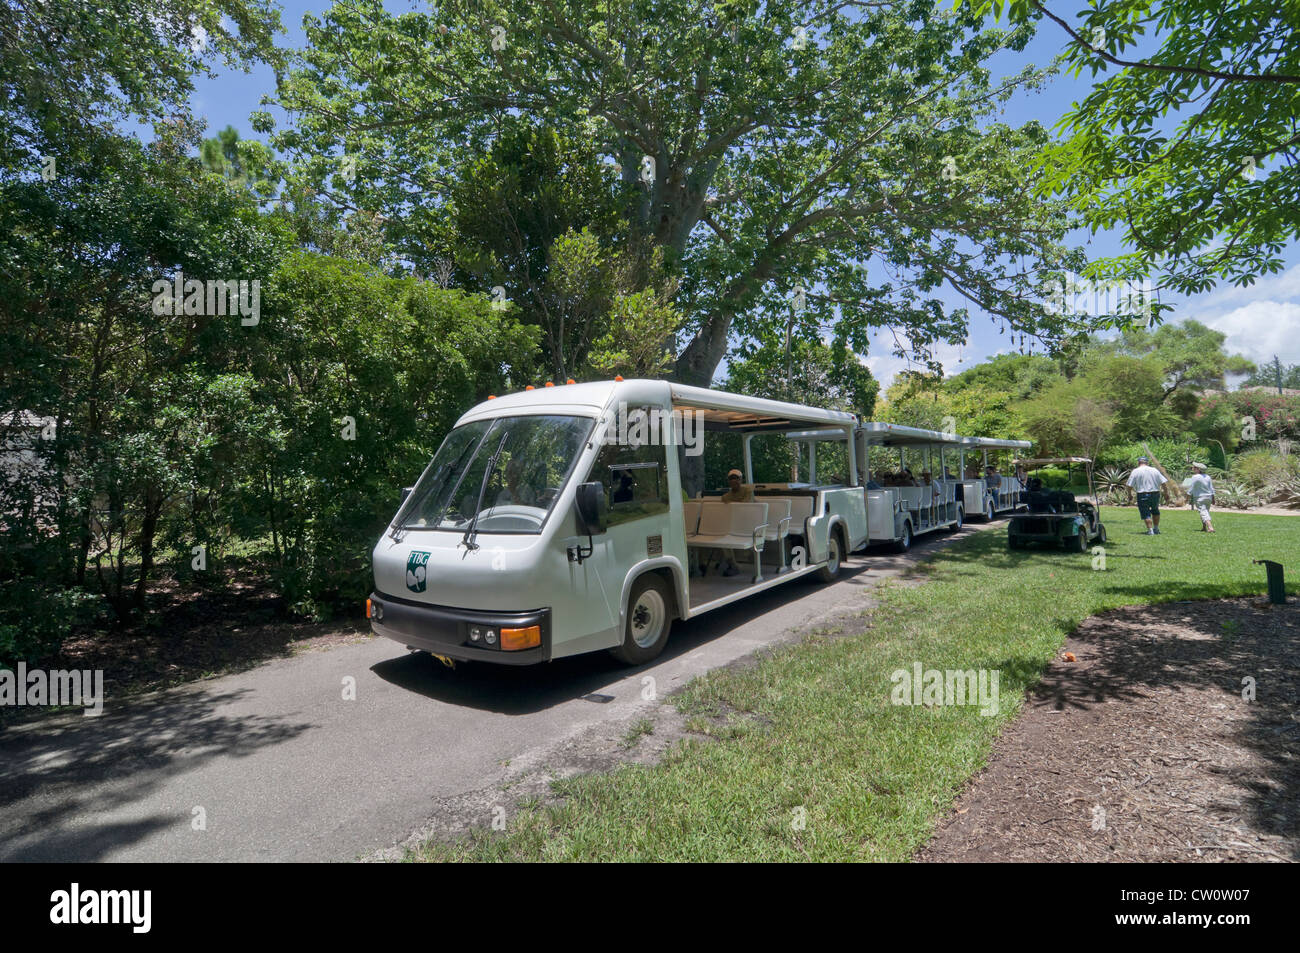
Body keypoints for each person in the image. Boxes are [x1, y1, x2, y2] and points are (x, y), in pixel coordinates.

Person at [1126, 455, 1168, 535]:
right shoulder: (1154, 470)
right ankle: (1156, 528)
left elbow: (1129, 485)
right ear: (1147, 462)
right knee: (1155, 510)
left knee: (1145, 512)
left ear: (1139, 462)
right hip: (1155, 494)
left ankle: (1150, 530)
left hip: (1142, 494)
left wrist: (1129, 495)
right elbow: (1163, 483)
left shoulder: (1136, 471)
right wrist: (1166, 494)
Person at [1187, 462, 1216, 533]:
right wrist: (1213, 498)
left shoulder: (1195, 477)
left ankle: (1210, 527)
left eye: (1194, 467)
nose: (1192, 468)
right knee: (1205, 512)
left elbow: (1191, 488)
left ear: (1198, 469)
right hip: (1208, 497)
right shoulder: (1208, 477)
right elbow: (1211, 488)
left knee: (1203, 512)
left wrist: (1187, 497)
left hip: (1200, 498)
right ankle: (1204, 527)